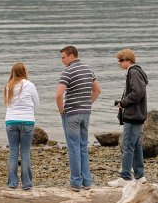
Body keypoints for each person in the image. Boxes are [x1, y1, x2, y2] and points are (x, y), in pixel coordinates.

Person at [56, 46, 101, 192]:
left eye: (63, 57)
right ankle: (87, 182)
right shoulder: (89, 70)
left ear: (71, 56)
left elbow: (58, 95)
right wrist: (87, 103)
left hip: (72, 114)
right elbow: (97, 90)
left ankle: (76, 183)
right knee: (83, 146)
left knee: (73, 148)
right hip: (85, 113)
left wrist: (62, 112)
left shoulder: (68, 71)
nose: (62, 60)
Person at [108, 49, 148, 188]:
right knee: (136, 146)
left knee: (127, 145)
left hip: (133, 115)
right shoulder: (136, 72)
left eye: (121, 61)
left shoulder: (133, 72)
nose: (119, 63)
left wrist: (124, 102)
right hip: (137, 114)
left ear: (128, 61)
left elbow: (138, 91)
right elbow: (137, 91)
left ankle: (125, 176)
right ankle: (140, 176)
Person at [4, 62, 39, 190]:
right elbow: (37, 103)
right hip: (27, 122)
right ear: (23, 72)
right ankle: (27, 184)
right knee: (25, 152)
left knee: (13, 151)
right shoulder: (29, 85)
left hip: (11, 121)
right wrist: (29, 112)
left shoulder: (9, 85)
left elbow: (8, 104)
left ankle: (12, 183)